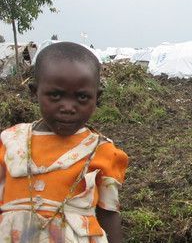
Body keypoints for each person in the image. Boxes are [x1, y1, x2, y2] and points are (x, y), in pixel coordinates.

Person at [0, 42, 129, 242]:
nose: (68, 107)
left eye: (82, 97)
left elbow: (108, 213)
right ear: (35, 92)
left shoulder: (103, 151)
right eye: (56, 95)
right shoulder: (11, 142)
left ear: (97, 97)